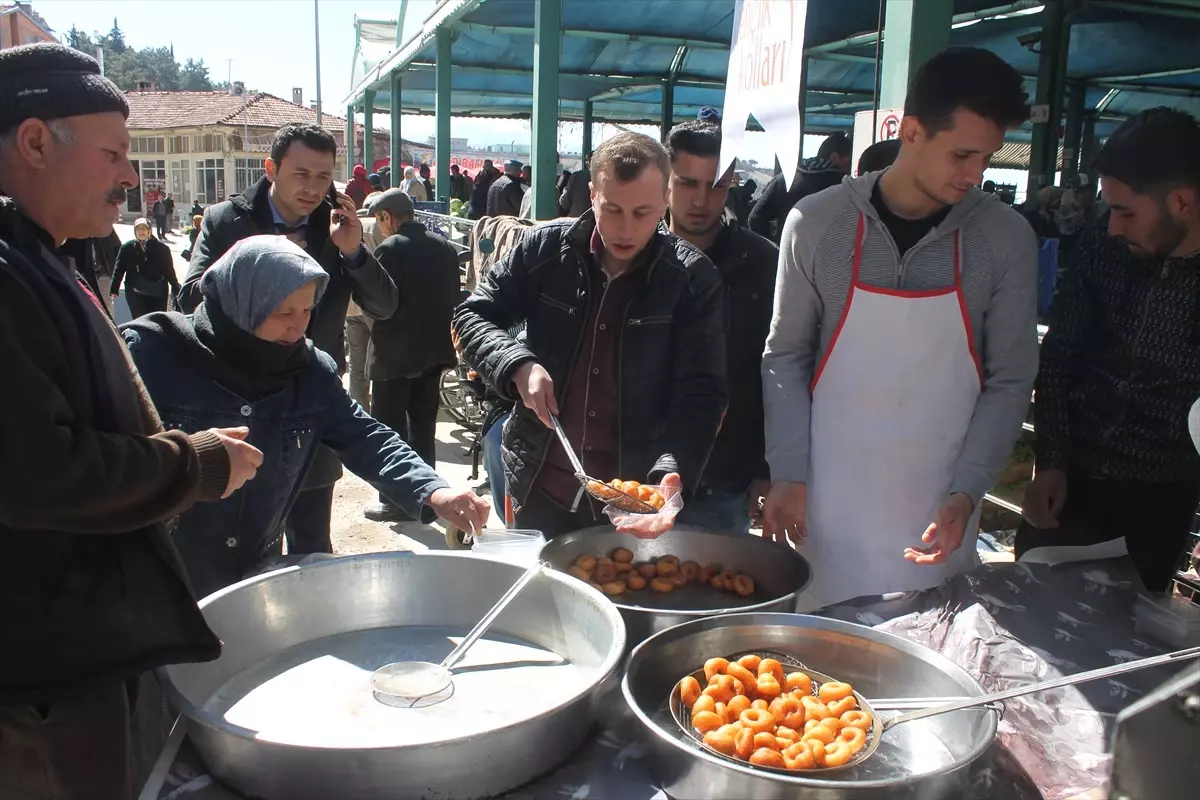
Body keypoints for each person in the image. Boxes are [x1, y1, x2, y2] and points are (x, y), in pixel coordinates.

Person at [0, 42, 261, 799]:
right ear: (36, 142)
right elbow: (40, 473)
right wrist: (197, 463)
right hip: (37, 673)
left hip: (73, 647)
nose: (129, 176)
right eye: (115, 152)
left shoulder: (43, 254)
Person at [761, 47, 1040, 610]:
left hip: (939, 511)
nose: (974, 175)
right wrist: (786, 471)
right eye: (961, 154)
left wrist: (968, 491)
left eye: (986, 159)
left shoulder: (1004, 239)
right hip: (824, 508)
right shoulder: (816, 225)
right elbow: (785, 354)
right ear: (911, 131)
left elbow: (1010, 379)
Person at [124, 236, 489, 596]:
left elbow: (367, 437)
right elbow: (102, 456)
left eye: (306, 311)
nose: (297, 327)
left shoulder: (310, 372)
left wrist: (435, 492)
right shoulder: (152, 354)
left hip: (251, 577)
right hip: (156, 583)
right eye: (283, 312)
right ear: (239, 302)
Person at [453, 132, 728, 538]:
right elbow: (470, 316)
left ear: (666, 201)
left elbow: (701, 392)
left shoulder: (692, 278)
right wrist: (518, 364)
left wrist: (672, 470)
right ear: (591, 193)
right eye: (612, 209)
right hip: (538, 483)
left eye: (643, 213)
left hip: (636, 499)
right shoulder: (545, 250)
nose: (626, 229)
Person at [179, 122, 398, 558]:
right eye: (301, 174)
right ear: (271, 169)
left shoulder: (337, 226)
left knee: (312, 545)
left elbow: (385, 304)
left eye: (323, 177)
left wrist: (353, 251)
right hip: (236, 402)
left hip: (309, 403)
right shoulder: (228, 220)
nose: (313, 188)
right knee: (236, 544)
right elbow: (189, 300)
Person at [1019, 108, 1200, 593]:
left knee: (1128, 648)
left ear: (1181, 202)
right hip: (1069, 484)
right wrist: (1050, 459)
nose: (1114, 226)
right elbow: (1059, 354)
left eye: (1126, 212)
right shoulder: (1104, 246)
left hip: (1161, 498)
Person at [664, 121, 778, 533]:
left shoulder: (762, 263)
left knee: (716, 594)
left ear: (731, 183)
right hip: (636, 470)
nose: (700, 200)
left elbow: (777, 371)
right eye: (687, 183)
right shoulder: (636, 251)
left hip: (724, 477)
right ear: (665, 180)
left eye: (715, 185)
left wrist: (768, 469)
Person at [360, 190, 462, 521]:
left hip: (394, 357)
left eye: (379, 220)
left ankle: (394, 501)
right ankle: (428, 499)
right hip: (432, 352)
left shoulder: (390, 249)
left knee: (388, 431)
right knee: (422, 427)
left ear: (387, 216)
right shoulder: (444, 246)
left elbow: (380, 303)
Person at [748, 132, 852, 242]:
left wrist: (774, 249)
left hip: (785, 255)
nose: (849, 169)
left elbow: (755, 219)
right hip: (829, 257)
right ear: (835, 157)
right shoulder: (844, 185)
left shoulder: (784, 179)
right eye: (848, 163)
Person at [111, 216, 180, 317]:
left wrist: (175, 286)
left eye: (144, 228)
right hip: (135, 291)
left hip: (157, 292)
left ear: (150, 230)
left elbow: (169, 270)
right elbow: (119, 269)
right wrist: (114, 288)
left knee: (157, 320)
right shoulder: (127, 248)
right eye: (138, 229)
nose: (141, 232)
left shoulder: (162, 248)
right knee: (139, 319)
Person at [560, 152, 591, 217]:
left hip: (576, 220)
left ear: (587, 164)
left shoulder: (577, 176)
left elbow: (564, 203)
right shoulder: (608, 178)